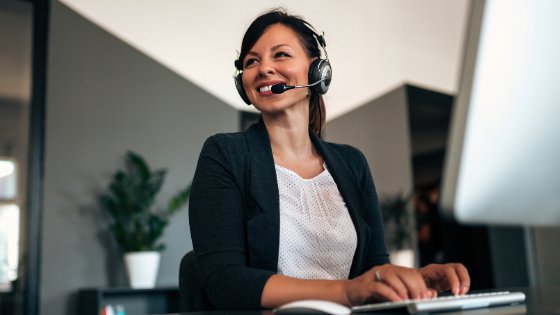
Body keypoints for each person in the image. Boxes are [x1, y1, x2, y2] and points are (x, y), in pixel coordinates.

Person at [188, 8, 470, 310]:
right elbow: (225, 281)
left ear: (317, 70)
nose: (264, 68)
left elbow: (373, 268)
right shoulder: (225, 154)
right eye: (251, 61)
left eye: (280, 55)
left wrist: (411, 281)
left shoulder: (351, 163)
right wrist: (347, 291)